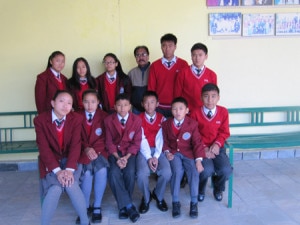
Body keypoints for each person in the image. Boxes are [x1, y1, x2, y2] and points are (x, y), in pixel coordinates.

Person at [34, 90, 89, 225]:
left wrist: (69, 170)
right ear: (53, 103)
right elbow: (44, 148)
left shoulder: (76, 119)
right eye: (61, 101)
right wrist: (58, 171)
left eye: (69, 103)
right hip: (51, 162)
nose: (65, 105)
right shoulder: (40, 120)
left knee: (70, 184)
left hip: (71, 159)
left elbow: (76, 145)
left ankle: (85, 221)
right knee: (55, 188)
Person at [162, 97, 205, 219]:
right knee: (177, 171)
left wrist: (198, 160)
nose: (178, 112)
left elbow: (197, 143)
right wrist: (167, 152)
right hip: (174, 153)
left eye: (181, 109)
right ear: (171, 111)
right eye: (174, 109)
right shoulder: (166, 124)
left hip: (189, 153)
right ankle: (175, 202)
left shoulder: (192, 124)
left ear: (187, 110)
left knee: (193, 171)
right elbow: (164, 141)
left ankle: (194, 203)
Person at [190, 83, 233, 203]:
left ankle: (218, 188)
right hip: (201, 149)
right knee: (205, 170)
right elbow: (194, 134)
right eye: (206, 96)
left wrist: (217, 144)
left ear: (218, 97)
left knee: (226, 170)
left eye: (213, 96)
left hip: (218, 147)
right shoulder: (195, 113)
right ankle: (200, 190)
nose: (210, 100)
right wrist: (204, 148)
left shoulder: (223, 112)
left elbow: (225, 132)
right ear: (201, 98)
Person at [104, 93, 142, 223]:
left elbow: (136, 142)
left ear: (130, 106)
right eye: (119, 105)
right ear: (114, 107)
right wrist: (117, 157)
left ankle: (122, 206)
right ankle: (128, 206)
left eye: (125, 105)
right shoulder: (108, 120)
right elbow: (109, 142)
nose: (122, 108)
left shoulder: (136, 120)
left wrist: (126, 157)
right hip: (114, 154)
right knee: (114, 173)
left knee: (130, 172)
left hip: (129, 154)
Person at [136, 91, 171, 214]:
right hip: (143, 150)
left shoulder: (162, 119)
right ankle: (146, 198)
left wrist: (155, 156)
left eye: (152, 102)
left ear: (157, 104)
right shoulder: (138, 119)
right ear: (142, 104)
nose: (149, 105)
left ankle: (158, 195)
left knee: (167, 172)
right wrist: (149, 157)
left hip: (158, 150)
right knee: (141, 174)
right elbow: (141, 139)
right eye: (146, 102)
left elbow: (161, 139)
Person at [77, 89, 108, 224]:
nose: (90, 105)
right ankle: (83, 208)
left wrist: (95, 150)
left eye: (93, 102)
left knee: (102, 171)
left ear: (98, 102)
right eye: (86, 102)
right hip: (83, 152)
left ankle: (97, 206)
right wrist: (86, 148)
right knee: (87, 174)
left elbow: (107, 137)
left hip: (100, 152)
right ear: (82, 102)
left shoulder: (104, 116)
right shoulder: (76, 116)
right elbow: (74, 138)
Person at [148, 33, 188, 118]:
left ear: (175, 47)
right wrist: (152, 104)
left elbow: (186, 86)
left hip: (177, 107)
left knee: (175, 130)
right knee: (159, 130)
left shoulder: (183, 64)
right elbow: (151, 88)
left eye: (170, 46)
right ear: (161, 47)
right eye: (164, 46)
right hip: (159, 107)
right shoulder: (155, 65)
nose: (167, 49)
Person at [174, 42, 217, 114]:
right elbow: (177, 95)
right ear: (191, 56)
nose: (197, 58)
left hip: (204, 113)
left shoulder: (212, 75)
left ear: (206, 56)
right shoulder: (183, 73)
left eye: (200, 55)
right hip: (187, 113)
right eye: (194, 55)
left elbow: (213, 96)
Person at [128, 46, 151, 114]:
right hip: (136, 109)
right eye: (138, 55)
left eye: (143, 54)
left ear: (148, 56)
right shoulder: (131, 73)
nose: (141, 57)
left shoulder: (154, 70)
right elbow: (129, 92)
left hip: (152, 109)